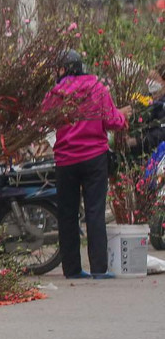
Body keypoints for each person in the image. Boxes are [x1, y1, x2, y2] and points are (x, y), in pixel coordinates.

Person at [41, 49, 128, 279]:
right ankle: (99, 269)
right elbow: (112, 120)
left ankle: (72, 269)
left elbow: (43, 120)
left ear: (62, 69)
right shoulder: (97, 88)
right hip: (94, 159)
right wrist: (122, 116)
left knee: (67, 214)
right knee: (95, 212)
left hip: (65, 160)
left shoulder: (54, 94)